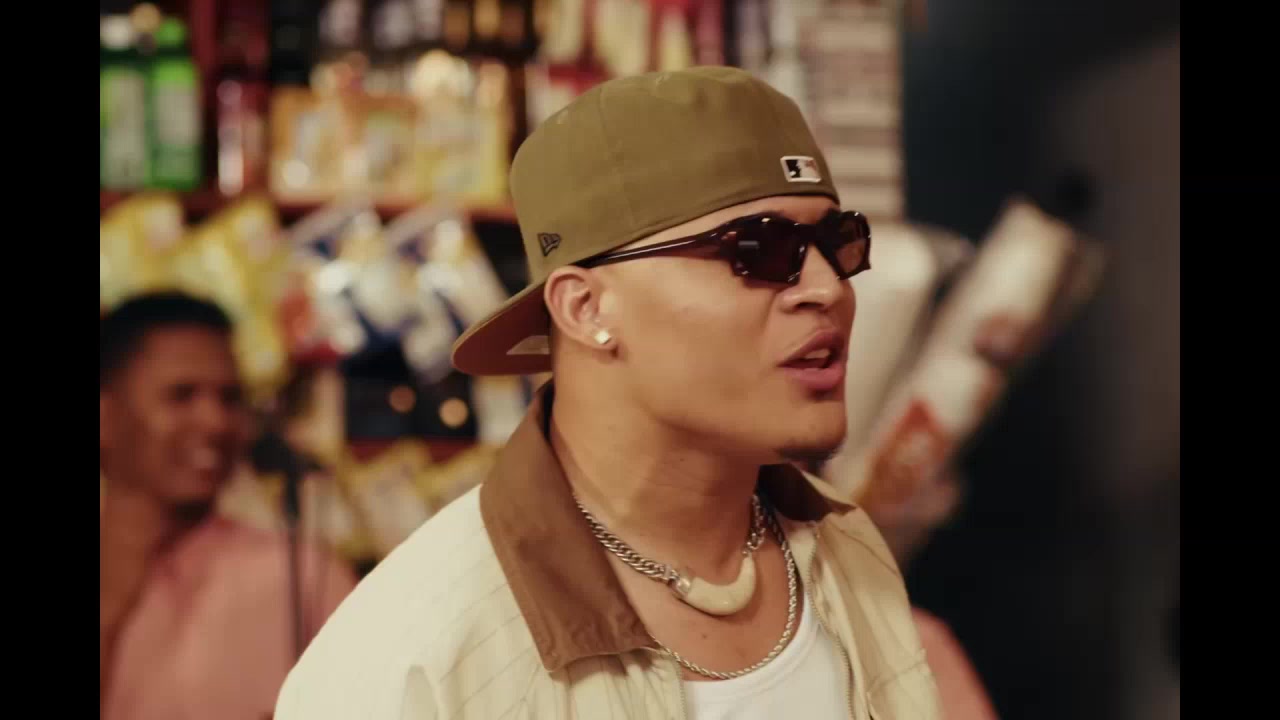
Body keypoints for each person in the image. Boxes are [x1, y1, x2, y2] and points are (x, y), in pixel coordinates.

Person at [276, 66, 941, 719]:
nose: (828, 288)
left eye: (836, 243)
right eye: (759, 249)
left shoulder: (846, 549)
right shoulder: (416, 654)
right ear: (586, 308)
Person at [100, 292, 357, 720]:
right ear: (106, 416)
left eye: (230, 398)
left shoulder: (302, 574)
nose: (216, 422)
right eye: (182, 395)